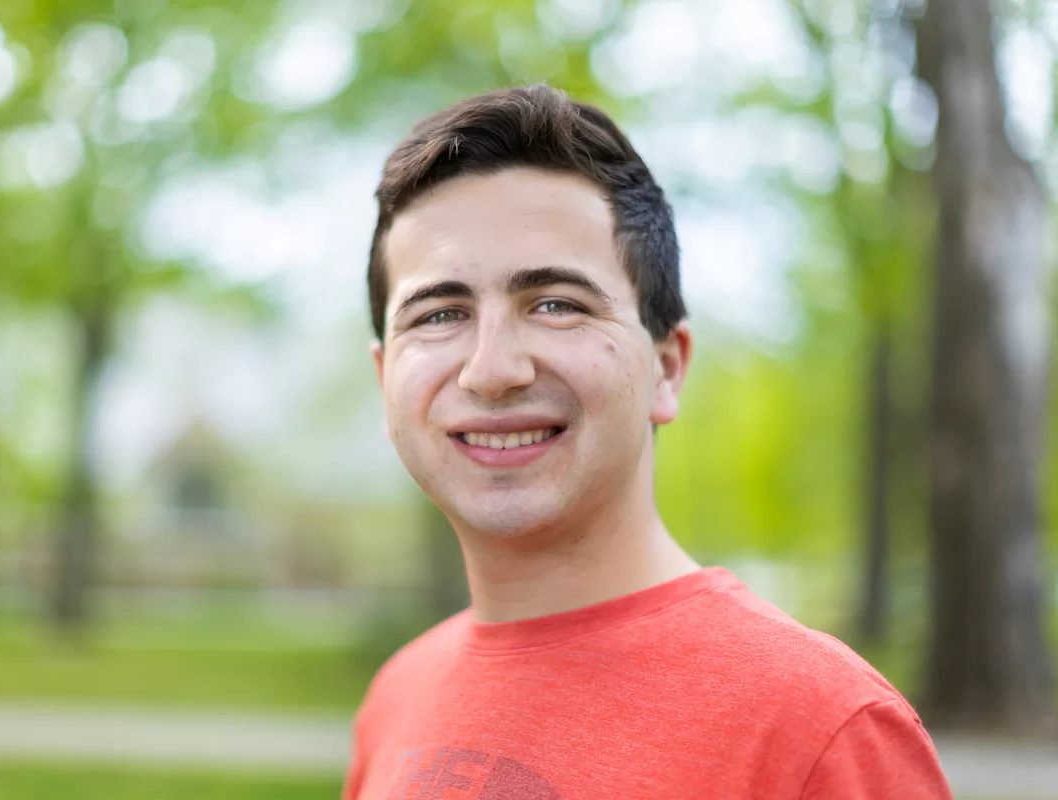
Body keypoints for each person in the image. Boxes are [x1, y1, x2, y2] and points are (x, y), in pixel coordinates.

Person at [343, 84, 952, 800]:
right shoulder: (398, 695)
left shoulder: (822, 728)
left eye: (555, 304)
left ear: (666, 368)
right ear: (387, 378)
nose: (493, 369)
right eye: (440, 313)